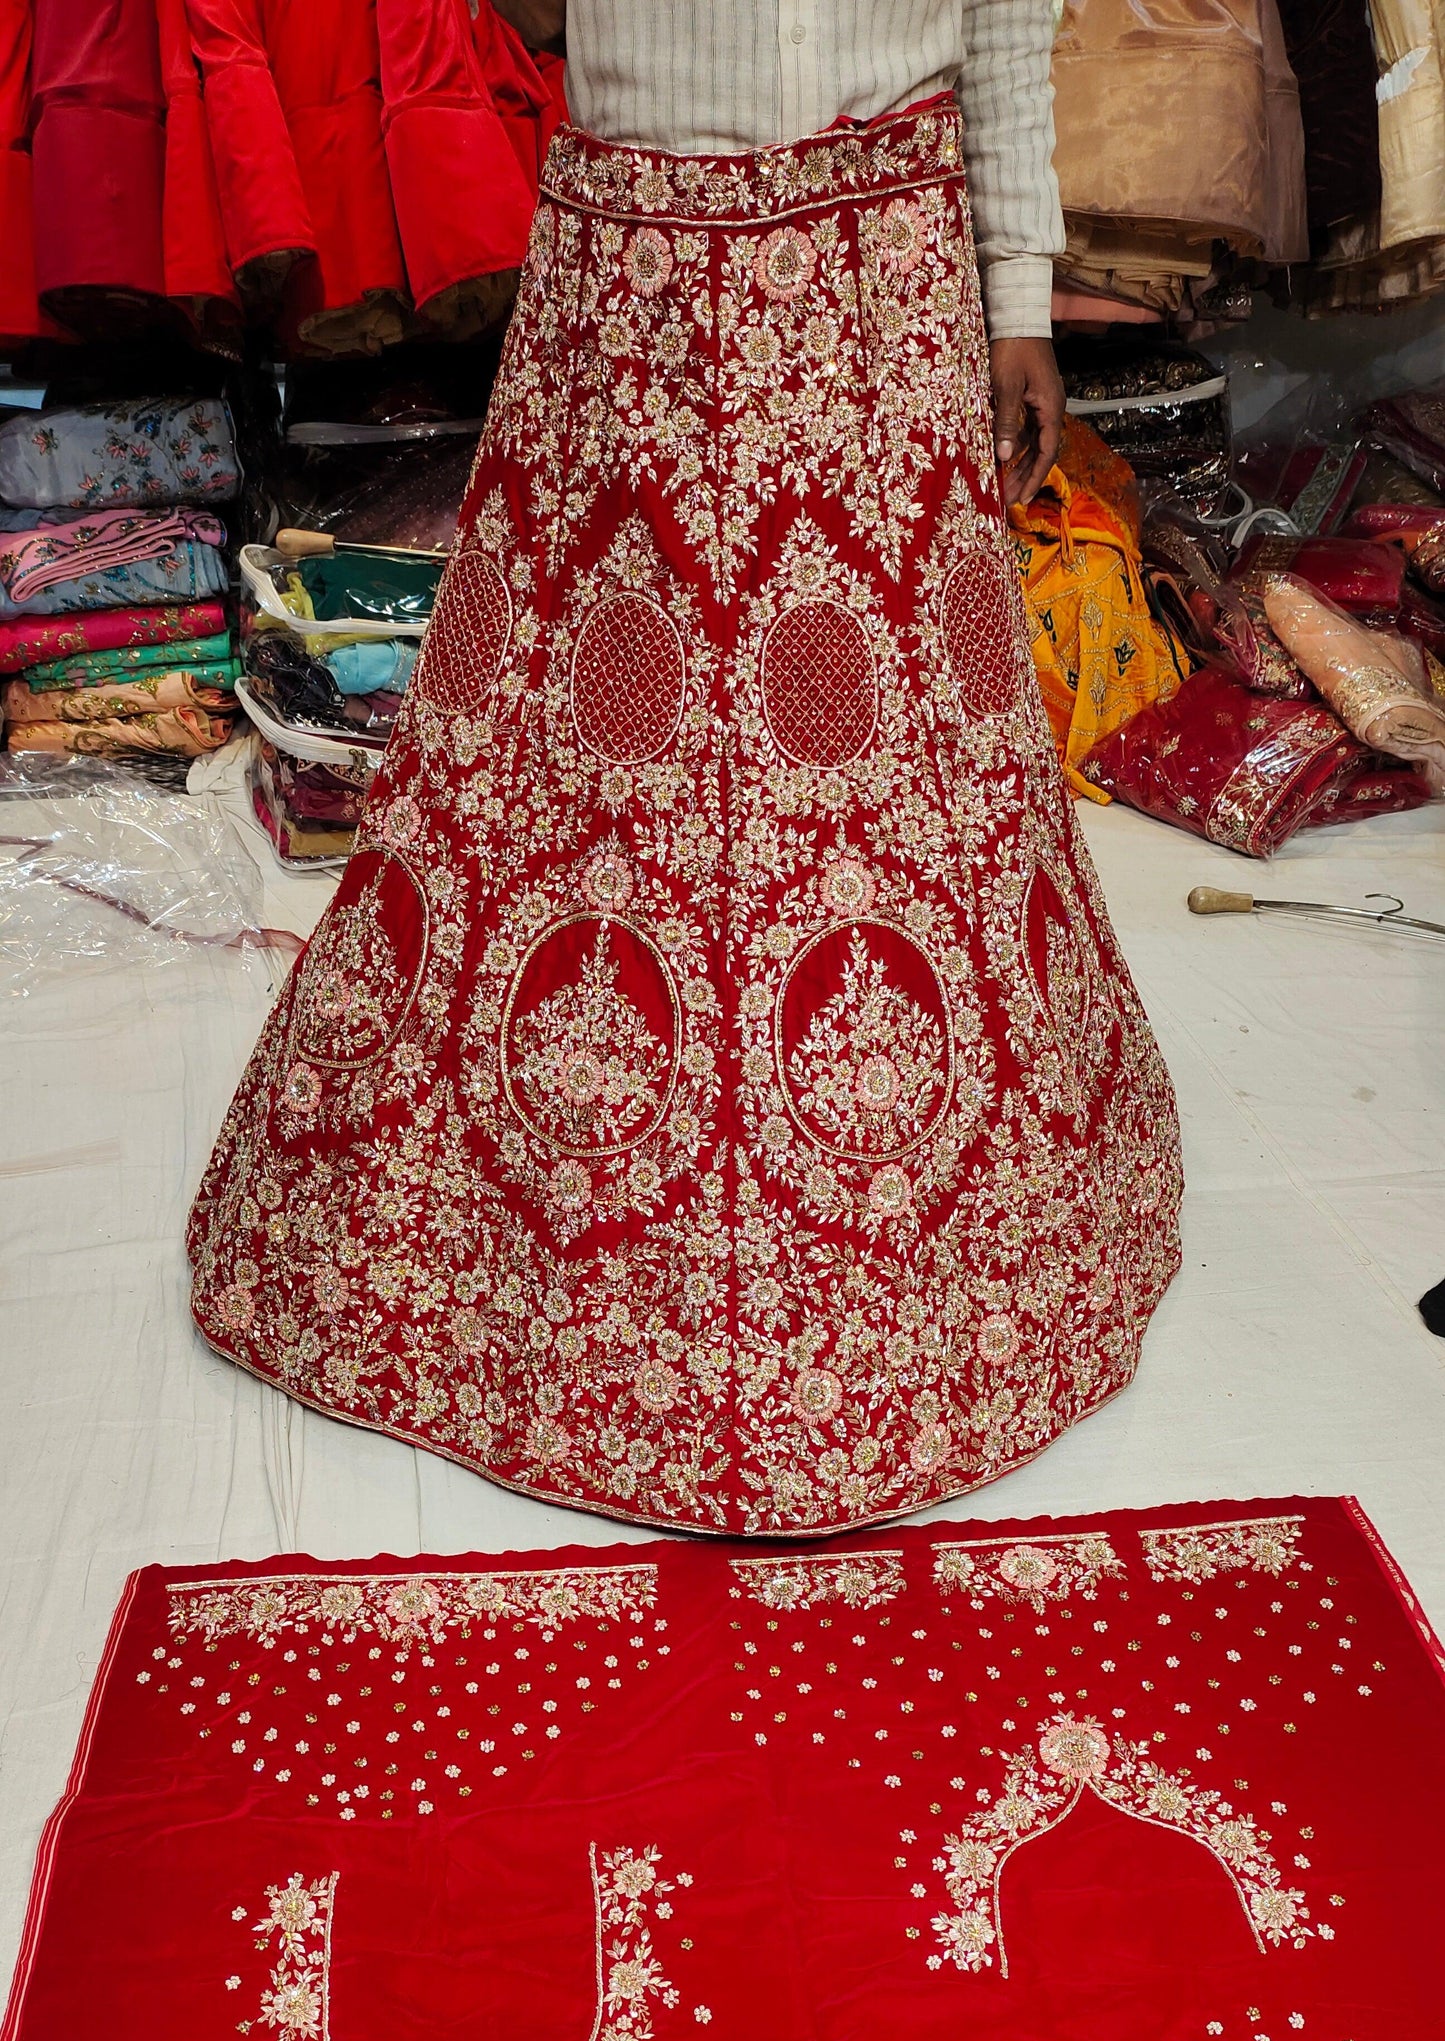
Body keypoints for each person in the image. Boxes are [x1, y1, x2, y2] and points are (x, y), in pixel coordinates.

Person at [189, 0, 1183, 1537]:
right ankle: (557, 1229)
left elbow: (996, 22)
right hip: (631, 274)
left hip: (882, 274)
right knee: (593, 766)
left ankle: (913, 1246)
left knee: (883, 766)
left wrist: (1018, 299)